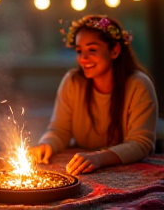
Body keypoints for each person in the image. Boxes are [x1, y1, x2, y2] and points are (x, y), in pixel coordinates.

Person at [30, 15, 158, 176]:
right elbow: (59, 130)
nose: (83, 58)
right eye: (79, 51)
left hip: (130, 174)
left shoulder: (138, 85)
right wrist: (46, 144)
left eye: (92, 50)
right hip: (85, 170)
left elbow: (141, 143)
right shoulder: (73, 82)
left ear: (114, 50)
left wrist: (99, 158)